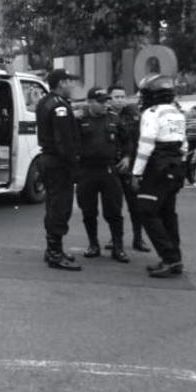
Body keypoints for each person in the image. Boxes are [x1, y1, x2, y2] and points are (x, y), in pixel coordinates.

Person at [131, 74, 188, 278]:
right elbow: (184, 144)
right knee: (167, 214)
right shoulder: (177, 112)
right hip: (175, 167)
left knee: (146, 211)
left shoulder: (152, 113)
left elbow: (145, 145)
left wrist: (136, 172)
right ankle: (175, 259)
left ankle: (170, 258)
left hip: (157, 168)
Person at [76, 87, 130, 263]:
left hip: (109, 170)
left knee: (114, 211)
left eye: (107, 101)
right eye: (101, 102)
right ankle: (93, 245)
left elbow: (127, 140)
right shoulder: (80, 119)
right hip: (87, 170)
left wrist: (128, 157)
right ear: (90, 102)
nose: (105, 105)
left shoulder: (114, 118)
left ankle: (118, 247)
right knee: (88, 210)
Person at [36, 68, 82, 271]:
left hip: (50, 161)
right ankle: (55, 253)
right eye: (70, 82)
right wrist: (74, 164)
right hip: (58, 163)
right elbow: (64, 141)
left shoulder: (47, 102)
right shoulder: (58, 107)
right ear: (62, 83)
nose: (72, 86)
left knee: (53, 206)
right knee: (60, 207)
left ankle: (54, 249)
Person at [106, 85, 151, 253]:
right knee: (114, 206)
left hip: (131, 165)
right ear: (109, 98)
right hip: (112, 166)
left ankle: (138, 238)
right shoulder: (104, 115)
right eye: (116, 96)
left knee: (135, 205)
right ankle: (115, 238)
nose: (120, 100)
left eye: (122, 96)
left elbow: (139, 139)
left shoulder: (133, 114)